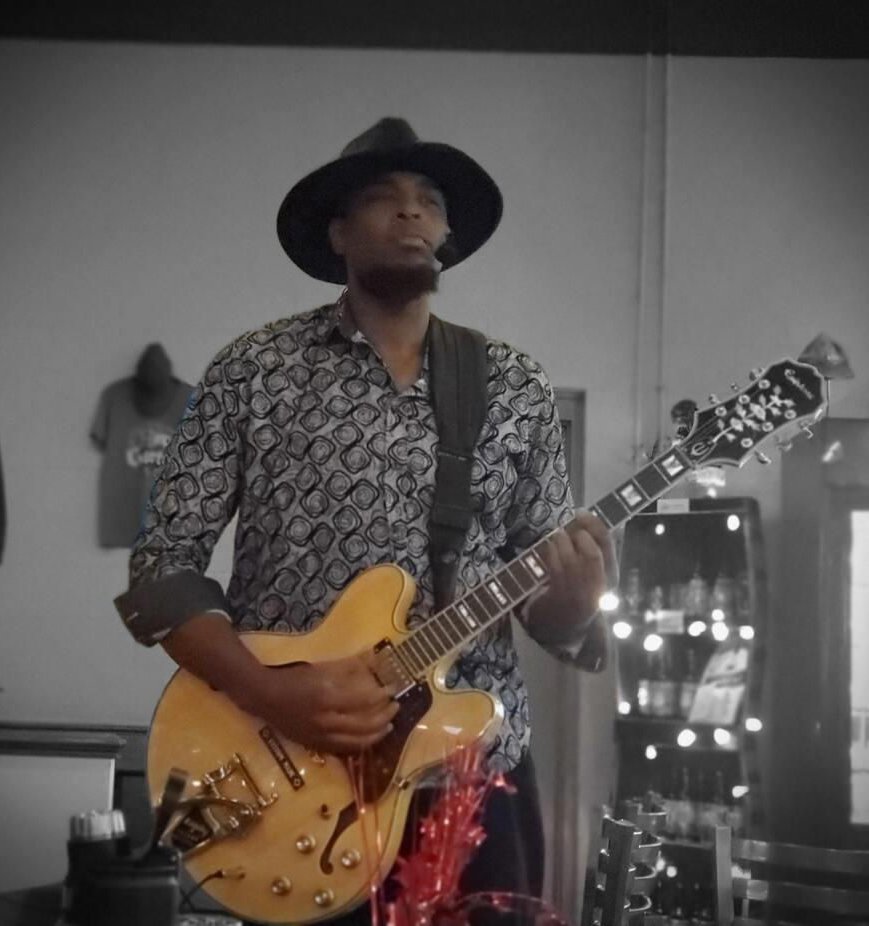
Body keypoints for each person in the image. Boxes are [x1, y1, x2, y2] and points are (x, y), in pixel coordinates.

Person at [116, 117, 615, 919]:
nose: (411, 211)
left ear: (446, 235)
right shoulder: (253, 370)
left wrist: (577, 601)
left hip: (470, 777)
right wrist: (271, 694)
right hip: (291, 778)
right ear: (338, 232)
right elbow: (162, 570)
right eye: (384, 196)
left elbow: (546, 605)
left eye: (429, 201)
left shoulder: (515, 385)